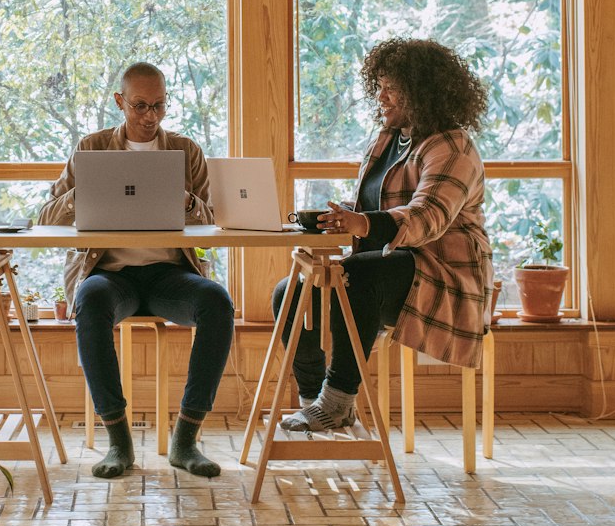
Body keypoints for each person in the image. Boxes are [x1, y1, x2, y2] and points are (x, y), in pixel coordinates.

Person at [274, 37, 493, 432]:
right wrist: (341, 218)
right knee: (288, 294)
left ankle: (338, 401)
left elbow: (427, 217)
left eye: (391, 87)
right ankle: (314, 399)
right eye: (379, 84)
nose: (381, 95)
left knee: (357, 275)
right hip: (387, 269)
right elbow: (371, 210)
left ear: (422, 91)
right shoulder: (388, 140)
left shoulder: (452, 147)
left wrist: (362, 224)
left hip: (442, 275)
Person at [39, 61, 234, 479]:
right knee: (89, 298)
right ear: (120, 102)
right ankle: (118, 442)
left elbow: (213, 225)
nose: (151, 117)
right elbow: (45, 218)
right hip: (111, 275)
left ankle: (185, 439)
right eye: (141, 106)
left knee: (216, 300)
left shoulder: (185, 151)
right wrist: (85, 190)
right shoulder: (90, 150)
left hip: (169, 273)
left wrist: (186, 203)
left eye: (160, 106)